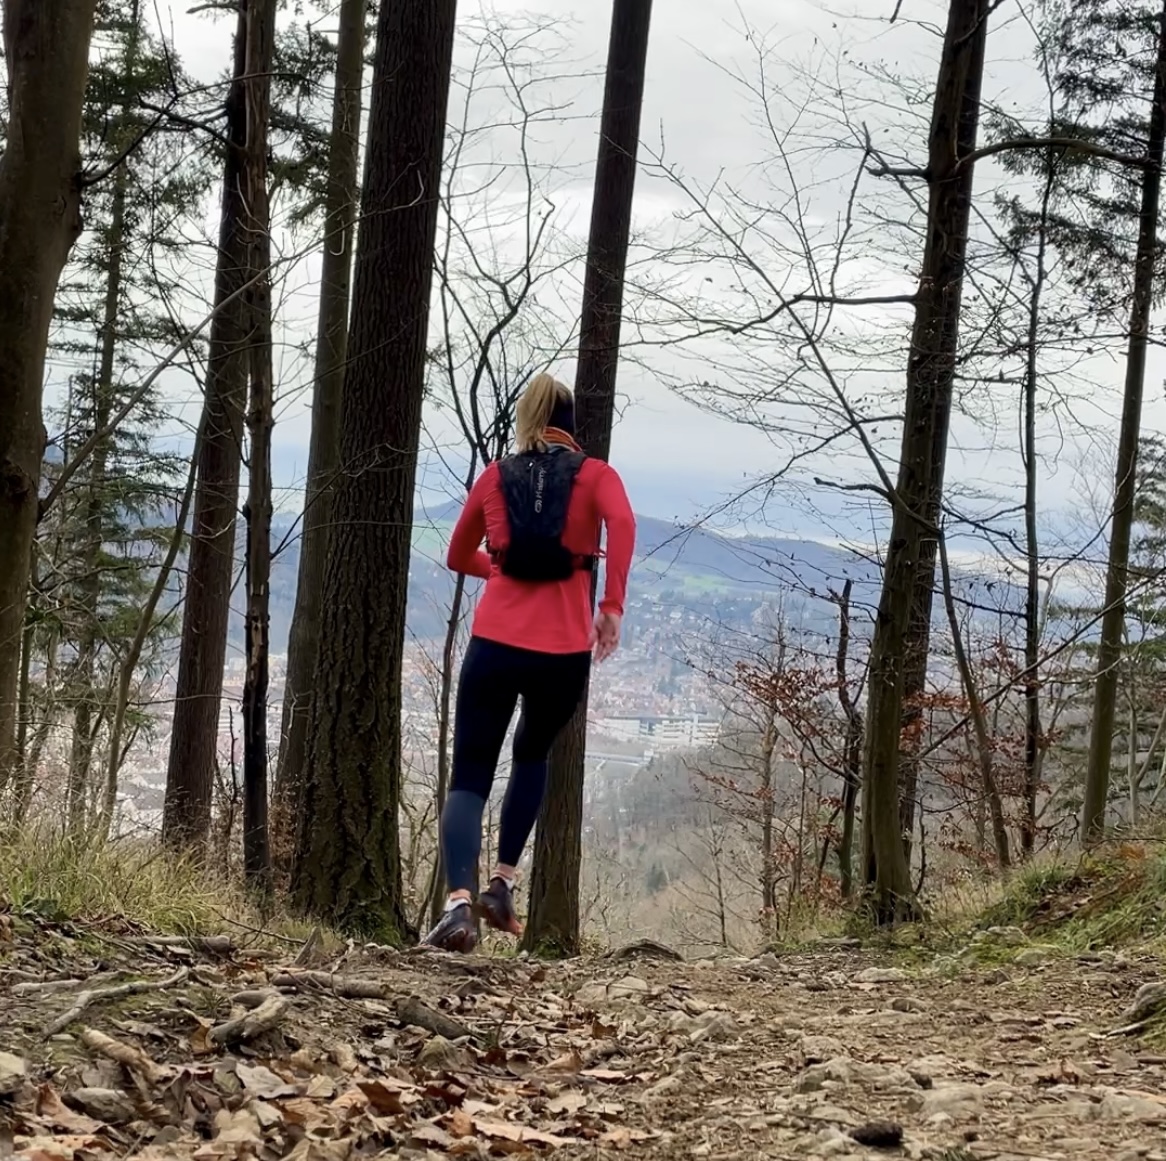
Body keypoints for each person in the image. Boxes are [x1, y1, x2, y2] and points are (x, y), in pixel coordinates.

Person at [423, 372, 636, 952]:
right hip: (563, 652)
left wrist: (498, 570)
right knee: (532, 757)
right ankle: (502, 882)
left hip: (495, 643)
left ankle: (460, 905)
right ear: (572, 424)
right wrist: (610, 605)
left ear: (529, 420)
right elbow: (623, 524)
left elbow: (456, 553)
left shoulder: (496, 476)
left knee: (469, 775)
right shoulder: (596, 476)